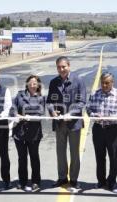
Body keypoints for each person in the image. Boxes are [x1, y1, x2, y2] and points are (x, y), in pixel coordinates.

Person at [46, 56, 86, 189]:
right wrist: (52, 111)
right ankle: (62, 178)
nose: (61, 69)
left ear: (69, 66)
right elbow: (50, 102)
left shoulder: (78, 80)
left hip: (74, 123)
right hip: (59, 124)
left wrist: (71, 113)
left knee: (74, 153)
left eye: (63, 66)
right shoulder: (53, 82)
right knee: (60, 152)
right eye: (59, 67)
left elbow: (82, 102)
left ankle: (74, 179)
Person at [86, 72, 117, 191]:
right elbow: (88, 109)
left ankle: (112, 182)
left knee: (113, 157)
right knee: (100, 156)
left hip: (113, 130)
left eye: (107, 83)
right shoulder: (95, 93)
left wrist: (114, 117)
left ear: (112, 83)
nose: (104, 85)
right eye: (102, 83)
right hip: (98, 129)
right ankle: (101, 181)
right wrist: (94, 115)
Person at [10, 75, 45, 191]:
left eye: (35, 83)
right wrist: (16, 114)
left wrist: (29, 117)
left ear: (38, 85)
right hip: (19, 132)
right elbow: (13, 108)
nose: (33, 84)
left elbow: (40, 114)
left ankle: (36, 181)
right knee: (22, 158)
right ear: (27, 84)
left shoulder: (40, 98)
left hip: (34, 133)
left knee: (34, 157)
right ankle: (22, 181)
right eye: (30, 82)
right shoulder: (20, 95)